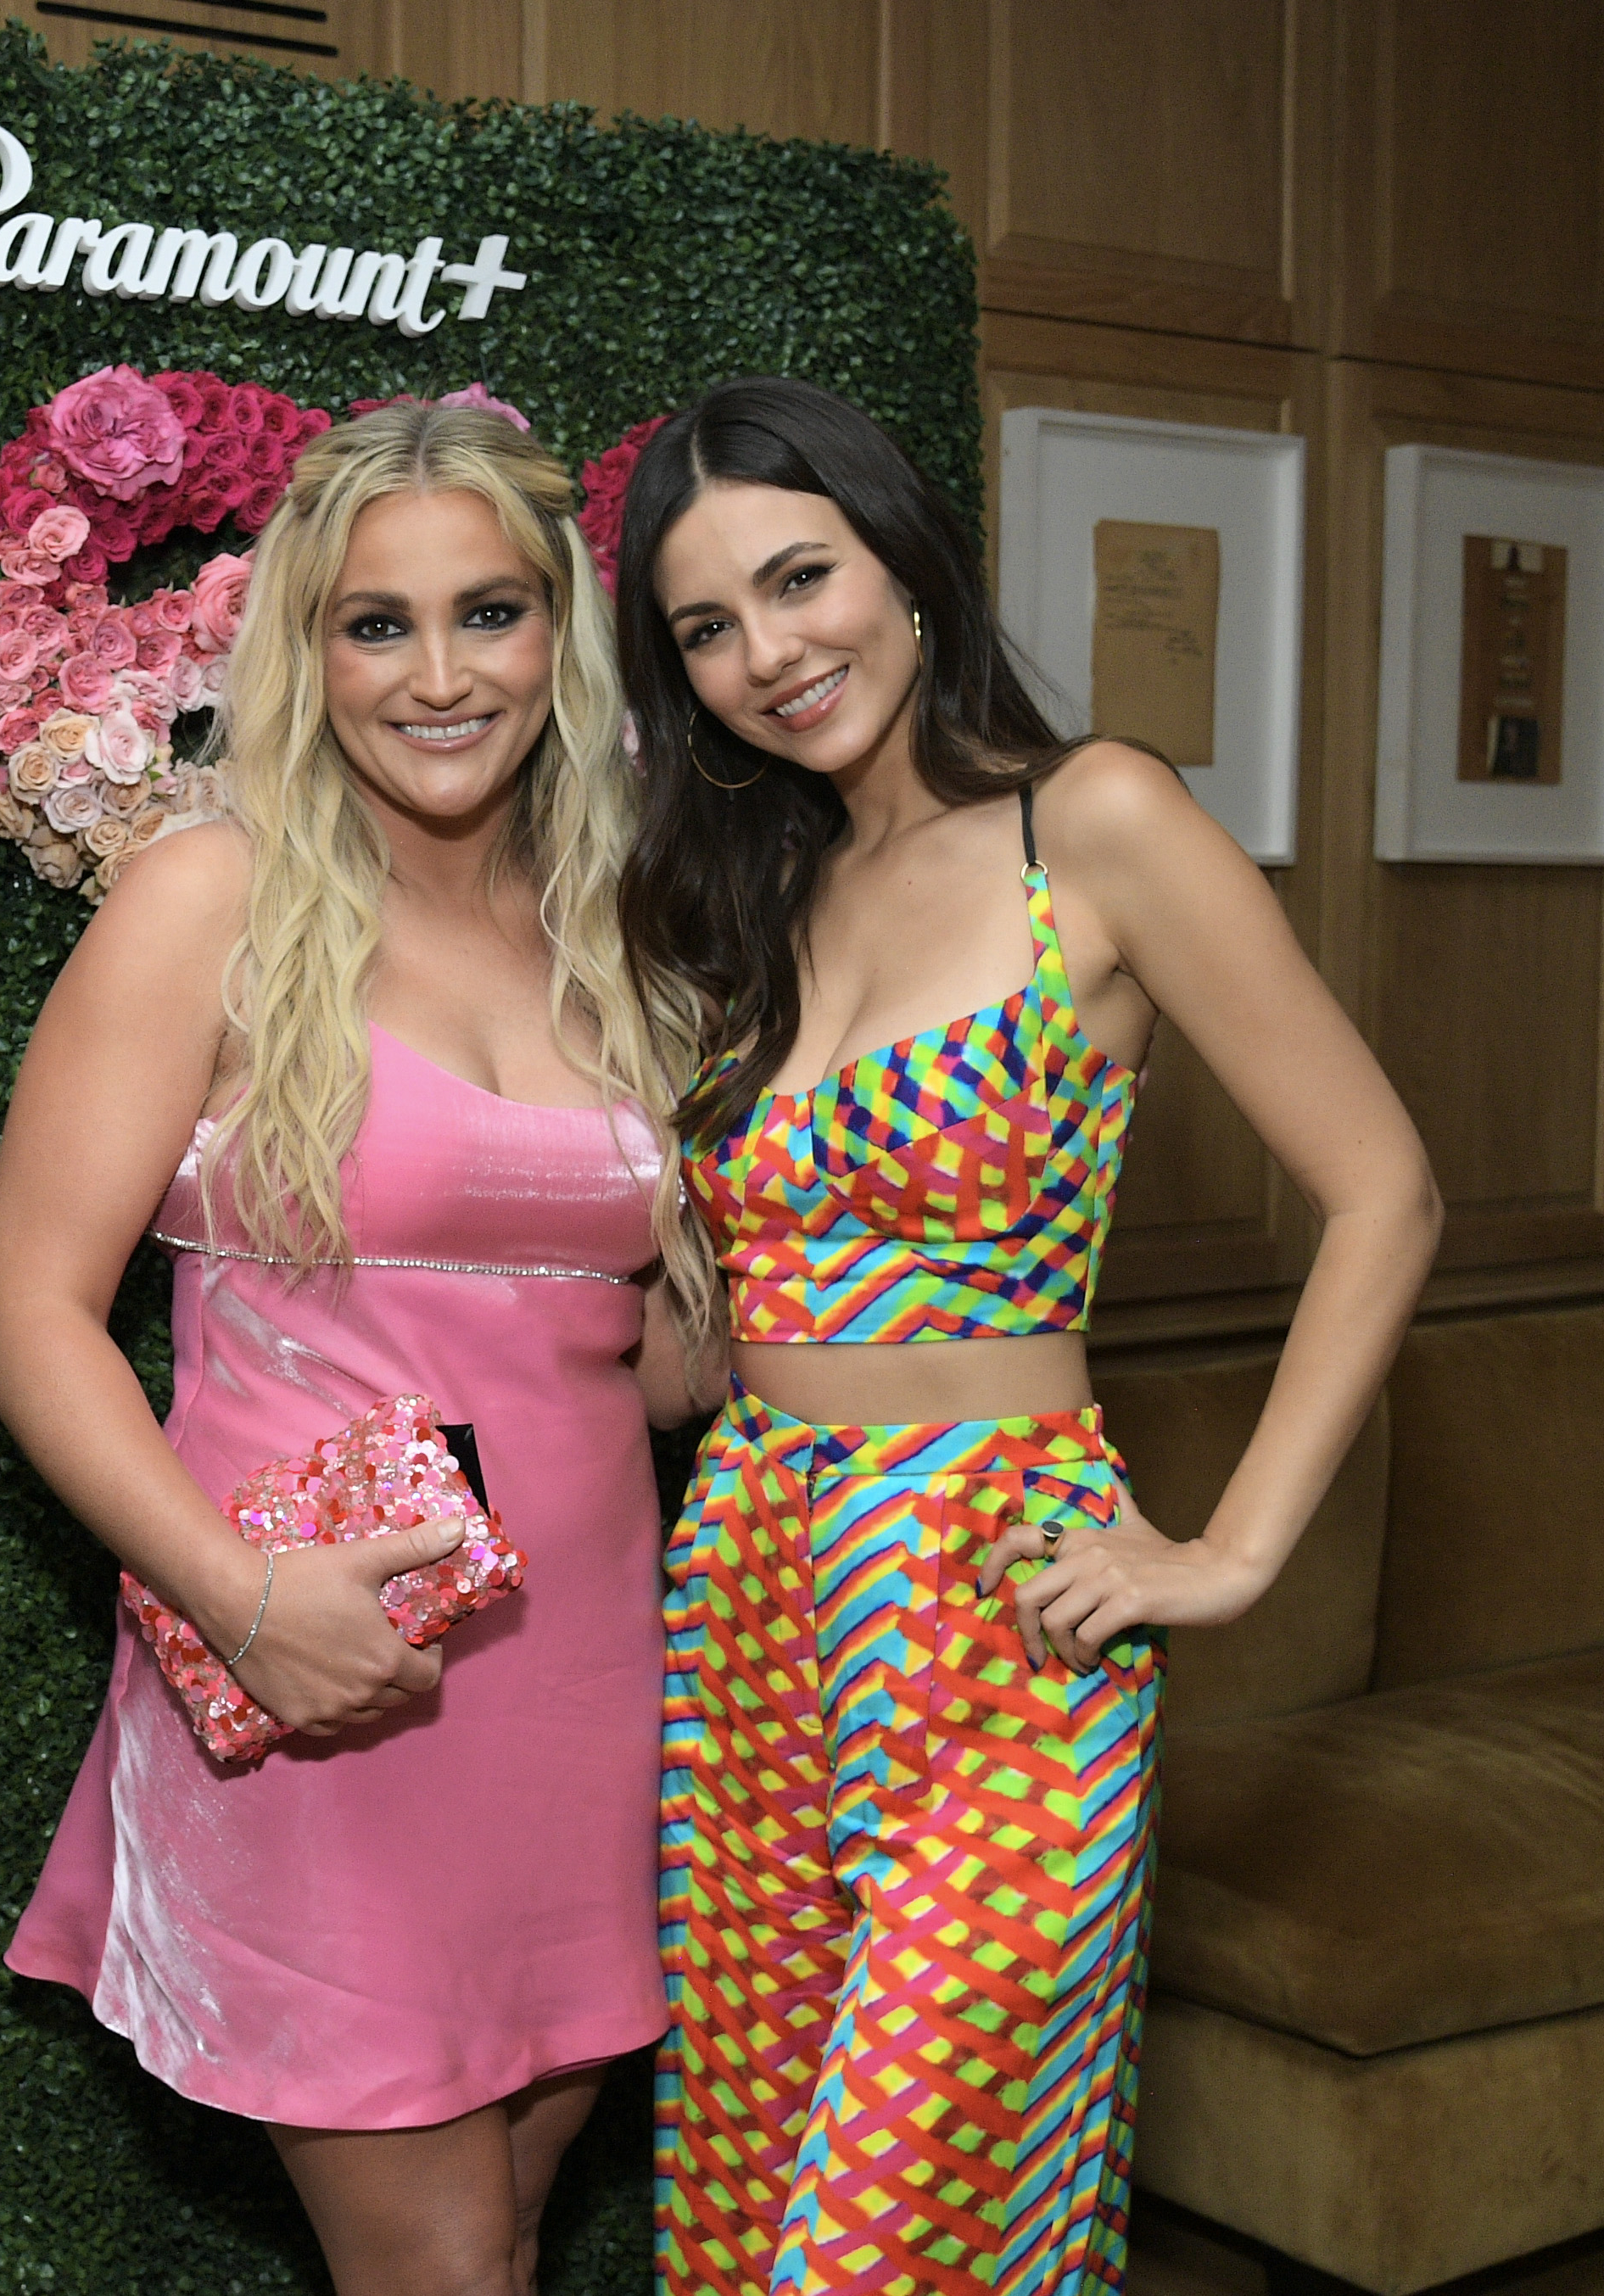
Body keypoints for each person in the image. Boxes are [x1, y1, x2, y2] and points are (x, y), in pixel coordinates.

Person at [614, 375, 1441, 2295]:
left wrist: (1230, 1548)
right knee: (750, 2214)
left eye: (800, 577)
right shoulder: (764, 896)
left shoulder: (1100, 821)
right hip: (749, 1573)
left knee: (897, 2229)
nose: (769, 652)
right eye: (707, 629)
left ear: (909, 559)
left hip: (997, 1590)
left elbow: (1386, 1189)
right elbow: (703, 1348)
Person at [0, 402, 713, 2296]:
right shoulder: (210, 901)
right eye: (377, 624)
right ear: (305, 654)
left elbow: (651, 1365)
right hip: (318, 1667)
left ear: (565, 634)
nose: (441, 673)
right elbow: (27, 1318)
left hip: (582, 1676)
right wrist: (243, 1594)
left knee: (518, 2227)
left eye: (491, 613)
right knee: (444, 2263)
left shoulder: (625, 937)